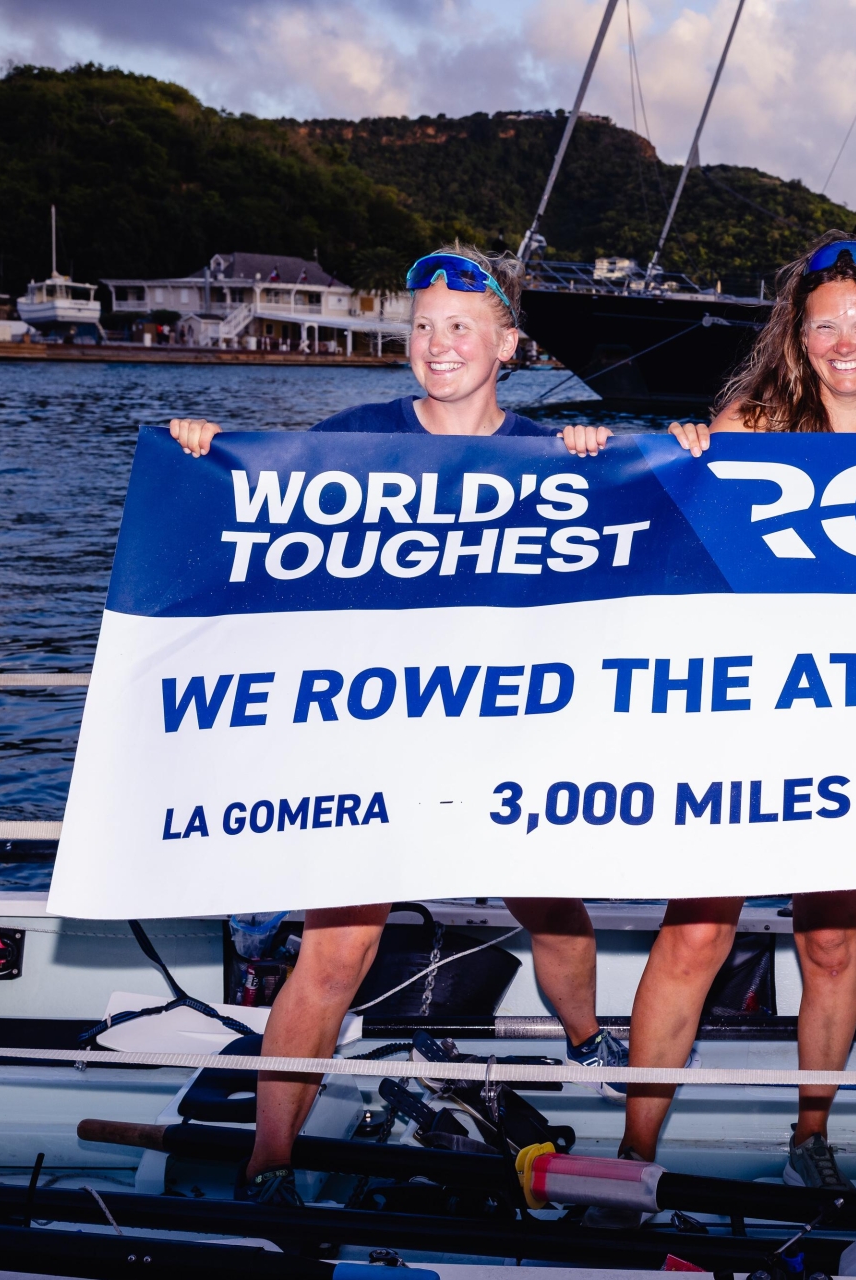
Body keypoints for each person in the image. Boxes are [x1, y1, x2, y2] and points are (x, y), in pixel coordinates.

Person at [166, 245, 629, 1205]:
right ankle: (270, 1163)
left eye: (461, 326)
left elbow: (645, 526)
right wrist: (210, 452)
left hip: (502, 729)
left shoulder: (550, 449)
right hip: (379, 734)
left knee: (553, 909)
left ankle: (588, 1041)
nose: (437, 343)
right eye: (421, 326)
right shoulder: (353, 437)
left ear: (507, 343)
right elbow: (261, 497)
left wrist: (598, 455)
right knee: (336, 950)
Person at [563, 233, 856, 1196]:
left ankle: (812, 1134)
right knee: (695, 936)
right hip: (745, 722)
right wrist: (648, 454)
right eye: (822, 321)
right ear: (798, 332)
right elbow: (662, 527)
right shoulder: (749, 421)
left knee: (831, 943)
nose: (842, 341)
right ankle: (635, 1150)